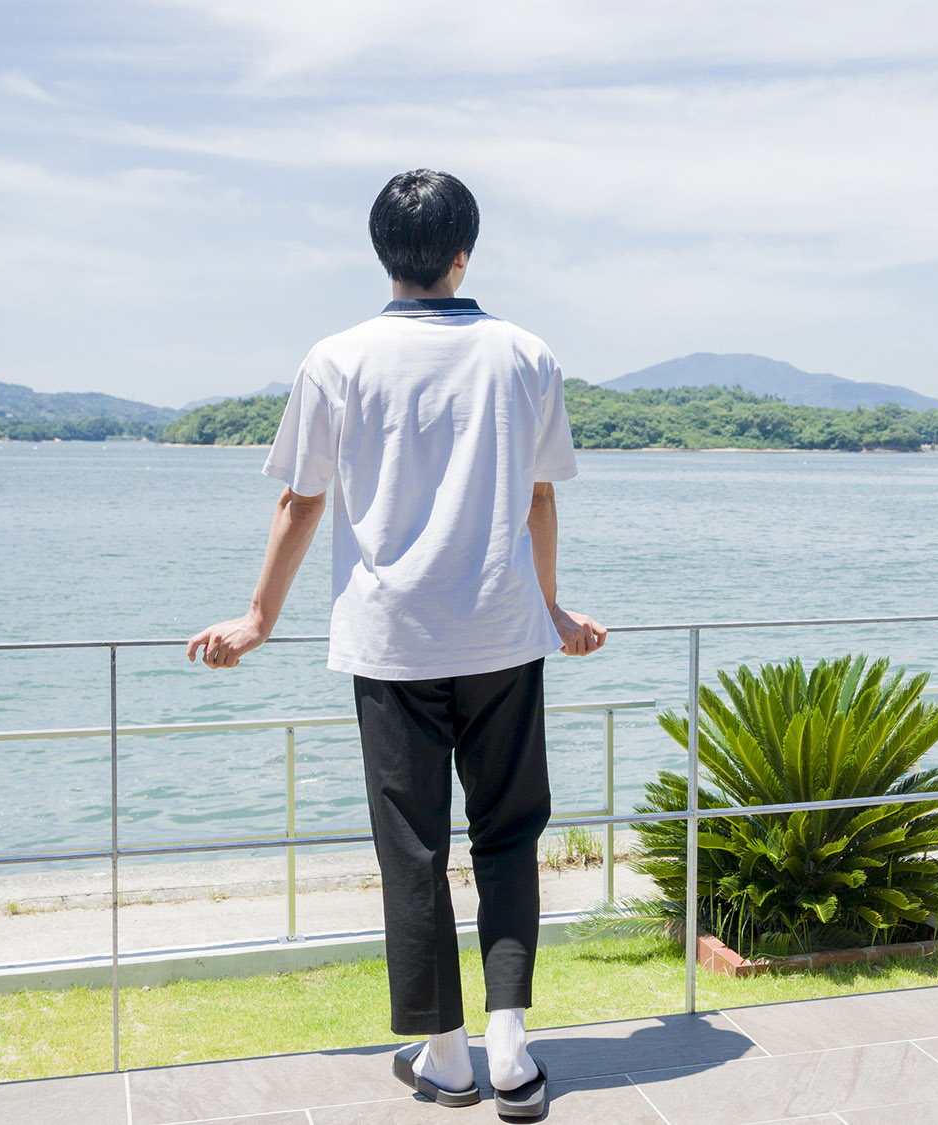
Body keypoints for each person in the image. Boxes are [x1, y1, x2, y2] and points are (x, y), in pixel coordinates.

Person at [187, 168, 606, 1120]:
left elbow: (301, 500)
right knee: (507, 836)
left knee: (411, 850)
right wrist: (554, 611)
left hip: (390, 646)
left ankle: (447, 1055)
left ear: (383, 254)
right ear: (466, 254)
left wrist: (258, 619)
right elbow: (540, 497)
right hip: (504, 637)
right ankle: (512, 1051)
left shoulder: (337, 358)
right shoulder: (526, 353)